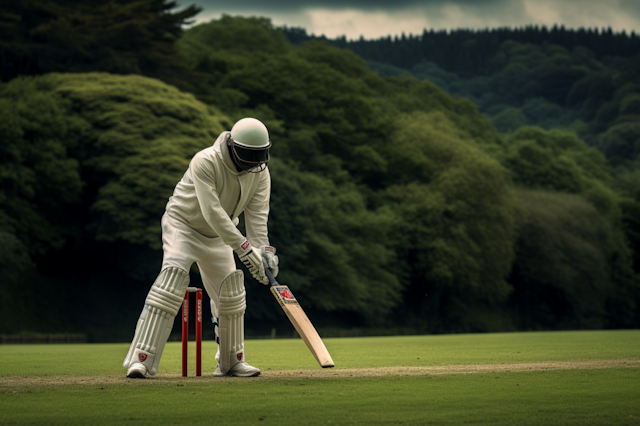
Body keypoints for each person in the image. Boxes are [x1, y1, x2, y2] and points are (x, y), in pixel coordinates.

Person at [123, 117, 279, 378]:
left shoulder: (260, 173)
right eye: (249, 155)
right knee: (171, 282)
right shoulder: (205, 160)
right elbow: (212, 212)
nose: (254, 163)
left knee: (231, 293)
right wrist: (243, 249)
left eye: (259, 156)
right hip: (183, 226)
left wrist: (264, 253)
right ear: (233, 146)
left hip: (220, 236)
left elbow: (257, 217)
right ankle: (142, 360)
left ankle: (231, 362)